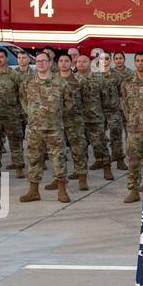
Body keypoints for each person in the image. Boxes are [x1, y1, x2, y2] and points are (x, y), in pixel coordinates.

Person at [18, 49, 73, 204]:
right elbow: (23, 99)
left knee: (58, 159)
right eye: (38, 61)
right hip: (34, 129)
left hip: (54, 128)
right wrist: (31, 113)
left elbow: (68, 102)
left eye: (44, 61)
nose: (40, 63)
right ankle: (33, 191)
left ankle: (62, 190)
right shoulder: (28, 82)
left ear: (50, 63)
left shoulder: (60, 82)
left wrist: (56, 114)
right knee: (34, 159)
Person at [120, 51, 143, 204]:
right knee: (133, 160)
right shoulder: (127, 83)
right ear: (134, 63)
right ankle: (133, 191)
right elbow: (124, 104)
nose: (140, 63)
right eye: (138, 61)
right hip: (134, 129)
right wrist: (131, 119)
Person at [54, 54, 88, 190]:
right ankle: (58, 179)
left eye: (66, 61)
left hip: (74, 120)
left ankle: (82, 178)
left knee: (78, 149)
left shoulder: (77, 81)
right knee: (57, 152)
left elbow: (83, 101)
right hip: (56, 121)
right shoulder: (53, 80)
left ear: (71, 63)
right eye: (61, 61)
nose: (63, 63)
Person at [0, 48, 26, 176]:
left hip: (11, 115)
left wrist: (21, 111)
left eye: (1, 57)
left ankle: (19, 168)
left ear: (6, 58)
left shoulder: (13, 74)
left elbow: (21, 93)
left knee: (15, 142)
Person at [75, 55, 111, 180]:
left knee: (100, 144)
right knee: (79, 147)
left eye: (84, 61)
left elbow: (105, 98)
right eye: (78, 61)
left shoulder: (97, 78)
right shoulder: (72, 79)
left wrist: (105, 116)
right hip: (78, 119)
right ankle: (80, 171)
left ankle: (107, 168)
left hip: (95, 118)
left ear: (89, 63)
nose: (81, 64)